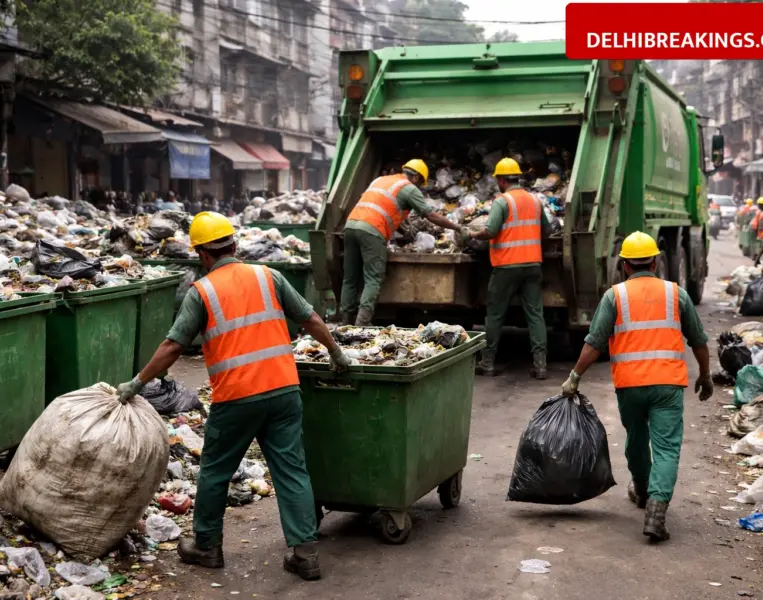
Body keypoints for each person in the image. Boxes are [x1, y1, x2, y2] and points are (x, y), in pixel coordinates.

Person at [116, 211, 351, 581]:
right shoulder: (268, 276)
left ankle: (207, 546)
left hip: (237, 398)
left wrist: (137, 383)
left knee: (215, 471)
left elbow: (173, 346)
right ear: (235, 246)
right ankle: (305, 554)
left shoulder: (203, 292)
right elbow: (311, 319)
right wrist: (337, 354)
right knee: (291, 471)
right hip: (284, 391)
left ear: (202, 255)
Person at [561, 231, 713, 543]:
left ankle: (643, 491)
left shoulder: (614, 296)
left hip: (630, 386)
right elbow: (698, 340)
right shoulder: (676, 294)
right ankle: (657, 507)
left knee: (636, 440)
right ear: (656, 262)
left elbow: (594, 342)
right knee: (667, 447)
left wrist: (575, 376)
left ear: (625, 266)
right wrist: (706, 375)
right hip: (668, 384)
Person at [339, 159, 462, 326]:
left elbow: (382, 206)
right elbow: (430, 215)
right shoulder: (408, 188)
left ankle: (344, 323)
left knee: (350, 278)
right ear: (417, 177)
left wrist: (406, 231)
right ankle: (362, 323)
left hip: (351, 225)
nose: (419, 187)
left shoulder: (381, 180)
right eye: (421, 183)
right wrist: (458, 228)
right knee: (373, 278)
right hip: (372, 229)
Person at [463, 157, 551, 379]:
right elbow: (547, 231)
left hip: (507, 266)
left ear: (502, 180)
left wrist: (472, 234)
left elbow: (490, 230)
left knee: (495, 314)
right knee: (535, 314)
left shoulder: (502, 202)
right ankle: (540, 366)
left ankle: (488, 363)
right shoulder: (535, 200)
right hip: (533, 264)